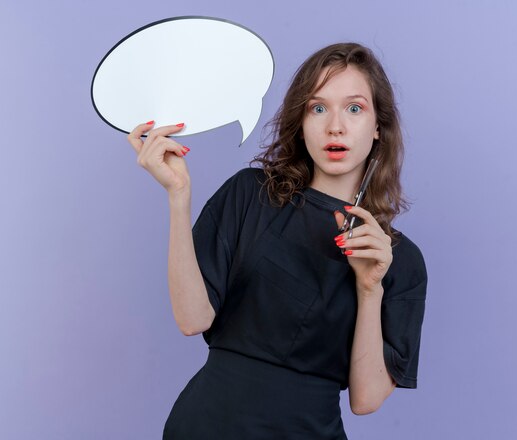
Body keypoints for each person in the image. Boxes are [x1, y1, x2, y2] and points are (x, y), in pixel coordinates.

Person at [127, 42, 427, 440]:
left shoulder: (398, 259)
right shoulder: (250, 194)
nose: (335, 125)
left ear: (377, 127)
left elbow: (365, 399)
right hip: (206, 425)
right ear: (301, 123)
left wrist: (369, 288)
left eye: (354, 108)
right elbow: (192, 319)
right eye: (317, 108)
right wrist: (178, 197)